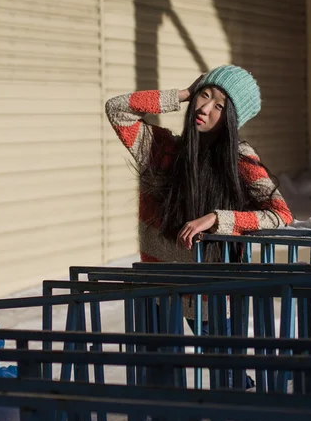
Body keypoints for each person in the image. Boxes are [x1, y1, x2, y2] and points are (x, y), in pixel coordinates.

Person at [106, 65, 293, 385]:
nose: (205, 108)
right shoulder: (160, 149)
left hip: (210, 284)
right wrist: (181, 95)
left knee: (226, 370)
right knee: (162, 378)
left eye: (219, 105)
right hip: (159, 283)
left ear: (233, 117)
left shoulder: (240, 158)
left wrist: (219, 218)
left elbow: (280, 214)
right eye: (203, 96)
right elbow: (117, 108)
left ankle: (248, 406)